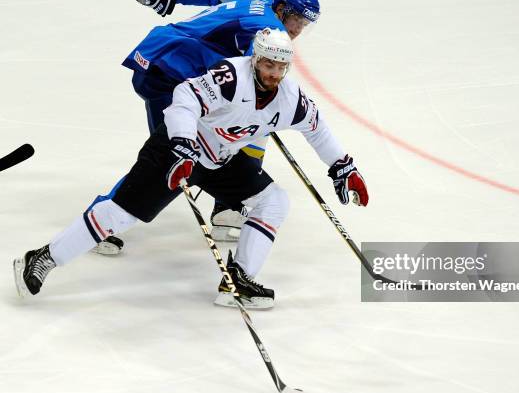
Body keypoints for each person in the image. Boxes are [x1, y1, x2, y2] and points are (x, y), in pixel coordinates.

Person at [13, 29, 368, 310]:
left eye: (280, 67)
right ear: (255, 59)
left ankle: (238, 279)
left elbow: (318, 129)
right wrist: (182, 144)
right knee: (120, 215)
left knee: (274, 201)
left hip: (220, 159)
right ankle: (43, 258)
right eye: (267, 65)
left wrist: (343, 167)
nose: (273, 73)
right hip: (176, 149)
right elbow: (185, 97)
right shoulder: (230, 77)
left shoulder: (290, 98)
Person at [92, 0, 321, 256]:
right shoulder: (266, 28)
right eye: (296, 20)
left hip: (172, 65)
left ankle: (226, 206)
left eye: (305, 23)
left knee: (234, 136)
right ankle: (101, 217)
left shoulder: (257, 3)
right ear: (282, 10)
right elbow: (252, 78)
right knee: (166, 155)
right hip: (168, 71)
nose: (298, 29)